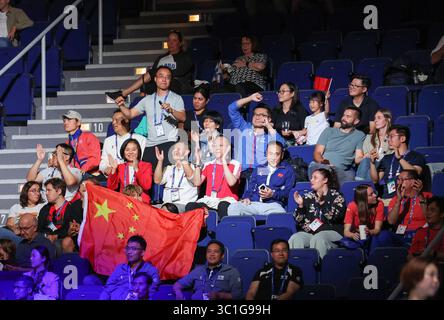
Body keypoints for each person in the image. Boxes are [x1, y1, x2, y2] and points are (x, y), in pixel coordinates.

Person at [116, 66, 186, 167]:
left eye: (167, 77)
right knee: (146, 177)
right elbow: (130, 114)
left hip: (169, 142)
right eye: (161, 76)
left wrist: (172, 110)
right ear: (155, 79)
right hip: (150, 144)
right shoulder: (147, 99)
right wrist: (121, 105)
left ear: (170, 80)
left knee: (166, 176)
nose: (164, 79)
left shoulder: (176, 98)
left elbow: (183, 117)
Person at [288, 168, 346, 258]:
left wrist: (322, 203)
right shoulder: (308, 197)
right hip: (313, 233)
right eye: (311, 178)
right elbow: (299, 221)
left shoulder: (337, 197)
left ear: (325, 180)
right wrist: (300, 206)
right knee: (296, 238)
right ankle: (298, 268)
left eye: (315, 178)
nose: (311, 180)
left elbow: (334, 217)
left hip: (333, 232)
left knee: (319, 238)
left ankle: (321, 269)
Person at [117, 29, 193, 97]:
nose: (171, 43)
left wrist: (159, 74)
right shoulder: (161, 58)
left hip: (176, 85)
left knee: (154, 72)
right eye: (169, 40)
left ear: (179, 43)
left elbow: (180, 73)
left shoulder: (185, 57)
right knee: (145, 86)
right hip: (159, 84)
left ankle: (125, 92)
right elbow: (152, 76)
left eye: (174, 40)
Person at [227, 141, 296, 216]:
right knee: (233, 207)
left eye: (277, 154)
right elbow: (250, 188)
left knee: (280, 215)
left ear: (282, 155)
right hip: (254, 204)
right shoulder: (259, 168)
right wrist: (246, 198)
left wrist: (273, 194)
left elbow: (288, 192)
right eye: (270, 154)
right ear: (266, 154)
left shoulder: (287, 170)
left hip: (273, 206)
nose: (273, 158)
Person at [229, 92, 286, 178]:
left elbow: (282, 144)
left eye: (262, 115)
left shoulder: (269, 135)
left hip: (261, 171)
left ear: (269, 119)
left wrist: (268, 126)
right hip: (241, 170)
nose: (257, 117)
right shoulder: (244, 127)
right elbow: (232, 108)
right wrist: (250, 98)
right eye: (255, 114)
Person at [186, 135, 241, 219]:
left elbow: (231, 183)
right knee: (190, 206)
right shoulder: (208, 164)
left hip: (227, 200)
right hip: (210, 200)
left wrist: (223, 161)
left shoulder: (235, 164)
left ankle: (223, 229)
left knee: (222, 205)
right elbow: (197, 183)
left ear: (228, 148)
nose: (217, 148)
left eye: (221, 145)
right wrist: (197, 162)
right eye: (214, 145)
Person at [310, 106, 365, 186]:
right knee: (318, 169)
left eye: (348, 116)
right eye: (343, 115)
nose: (343, 118)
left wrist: (366, 156)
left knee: (350, 176)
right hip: (322, 167)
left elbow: (358, 158)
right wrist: (323, 162)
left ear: (356, 121)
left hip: (341, 171)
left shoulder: (359, 135)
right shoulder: (329, 131)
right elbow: (317, 153)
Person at [370, 125, 426, 201]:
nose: (388, 139)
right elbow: (375, 180)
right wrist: (372, 163)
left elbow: (416, 172)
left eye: (391, 136)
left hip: (406, 197)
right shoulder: (386, 158)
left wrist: (399, 158)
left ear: (402, 138)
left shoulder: (416, 156)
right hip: (385, 197)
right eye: (388, 137)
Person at [173, 240, 242, 300]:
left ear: (222, 255)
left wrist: (220, 295)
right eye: (209, 251)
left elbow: (237, 296)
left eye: (216, 251)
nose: (212, 254)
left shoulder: (231, 271)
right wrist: (178, 293)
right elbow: (178, 284)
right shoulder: (198, 270)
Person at [100, 235, 161, 300]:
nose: (129, 252)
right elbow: (107, 290)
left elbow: (152, 294)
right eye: (128, 248)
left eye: (134, 249)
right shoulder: (120, 269)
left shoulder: (150, 271)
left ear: (142, 252)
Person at [37, 178, 83, 254]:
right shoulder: (45, 209)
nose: (46, 193)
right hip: (47, 240)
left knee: (62, 243)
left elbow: (72, 229)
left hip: (64, 241)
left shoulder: (72, 208)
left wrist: (57, 236)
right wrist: (47, 236)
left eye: (49, 190)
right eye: (46, 191)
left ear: (59, 191)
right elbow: (40, 228)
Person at [387, 169, 431, 247]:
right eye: (398, 179)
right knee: (383, 236)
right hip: (399, 235)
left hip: (420, 235)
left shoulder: (427, 196)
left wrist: (420, 196)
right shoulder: (395, 199)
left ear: (413, 182)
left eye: (402, 179)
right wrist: (399, 201)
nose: (398, 182)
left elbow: (429, 218)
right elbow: (391, 222)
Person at [342, 184, 387, 253]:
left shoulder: (379, 204)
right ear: (363, 198)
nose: (375, 195)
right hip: (357, 234)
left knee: (375, 239)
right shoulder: (352, 206)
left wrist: (369, 231)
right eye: (371, 194)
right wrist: (352, 235)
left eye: (374, 193)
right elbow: (346, 232)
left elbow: (377, 229)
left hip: (372, 233)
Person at [99, 109, 146, 175]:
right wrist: (106, 169)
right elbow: (103, 162)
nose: (113, 123)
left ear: (126, 120)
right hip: (113, 176)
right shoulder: (108, 140)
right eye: (113, 120)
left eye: (117, 120)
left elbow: (142, 161)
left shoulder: (140, 139)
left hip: (133, 176)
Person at [154, 141, 197, 212]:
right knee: (148, 210)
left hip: (184, 206)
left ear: (187, 152)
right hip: (166, 205)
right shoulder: (169, 168)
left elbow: (192, 178)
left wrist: (183, 160)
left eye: (179, 149)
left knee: (168, 210)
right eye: (174, 149)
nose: (175, 151)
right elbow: (157, 181)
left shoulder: (193, 167)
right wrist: (160, 161)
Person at [107, 138, 153, 203]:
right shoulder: (120, 167)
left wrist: (136, 169)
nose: (130, 152)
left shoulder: (146, 165)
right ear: (123, 152)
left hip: (141, 203)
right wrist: (114, 169)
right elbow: (111, 188)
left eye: (134, 150)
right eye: (127, 150)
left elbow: (147, 186)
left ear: (138, 151)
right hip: (124, 203)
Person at [356, 109, 393, 181]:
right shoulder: (369, 137)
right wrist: (370, 155)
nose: (375, 120)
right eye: (375, 118)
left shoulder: (392, 138)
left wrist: (380, 157)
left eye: (379, 118)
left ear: (388, 119)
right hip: (369, 165)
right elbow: (365, 156)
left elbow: (391, 156)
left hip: (384, 167)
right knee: (366, 160)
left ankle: (361, 186)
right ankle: (364, 185)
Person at [62, 110, 101, 176]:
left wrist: (83, 169)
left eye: (69, 120)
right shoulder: (67, 143)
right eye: (64, 121)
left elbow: (95, 158)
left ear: (78, 123)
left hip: (91, 174)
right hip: (76, 175)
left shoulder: (89, 136)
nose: (65, 123)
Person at [272, 82, 308, 146]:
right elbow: (270, 127)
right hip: (277, 143)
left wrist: (292, 132)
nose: (279, 94)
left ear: (292, 93)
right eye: (279, 91)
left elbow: (305, 131)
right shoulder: (275, 110)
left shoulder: (301, 110)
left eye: (283, 91)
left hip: (295, 144)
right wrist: (280, 132)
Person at [409, 196, 444, 262]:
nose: (428, 213)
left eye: (432, 210)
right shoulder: (420, 232)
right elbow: (410, 255)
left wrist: (434, 254)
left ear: (442, 214)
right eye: (427, 209)